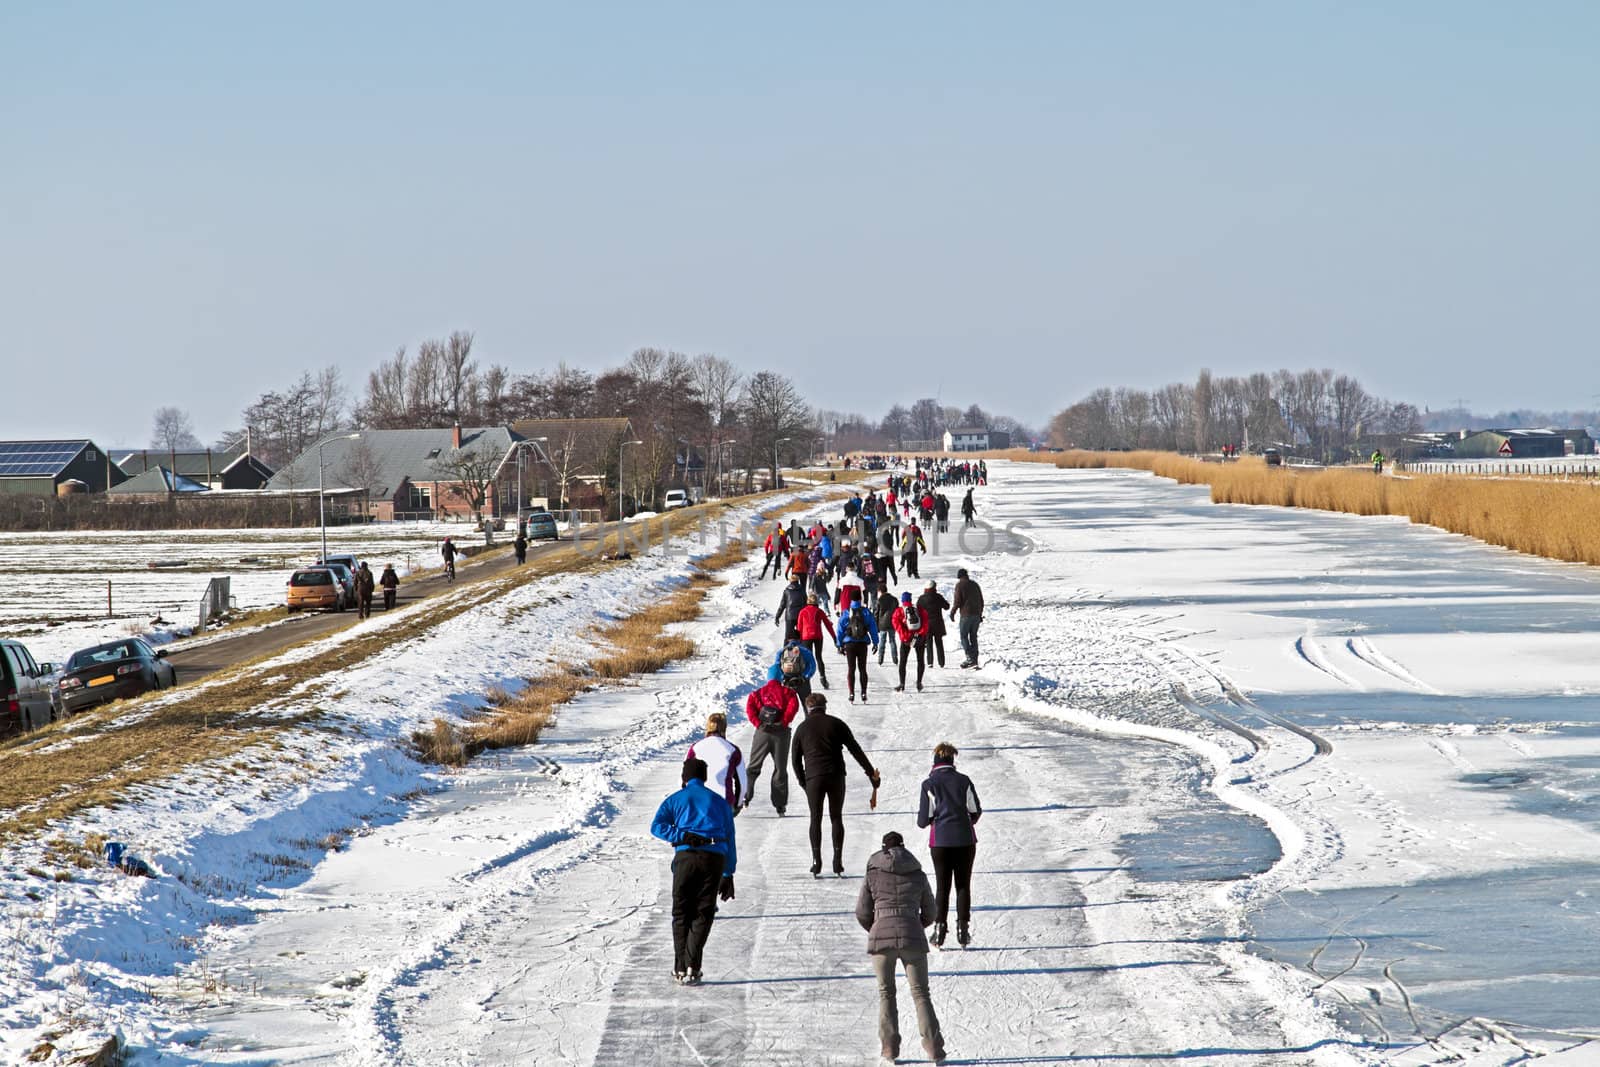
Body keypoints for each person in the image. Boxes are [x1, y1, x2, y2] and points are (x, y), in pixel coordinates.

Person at [856, 830, 945, 1064]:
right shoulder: (917, 874)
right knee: (921, 993)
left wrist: (877, 929)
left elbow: (862, 912)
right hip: (912, 937)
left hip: (881, 939)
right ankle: (934, 1048)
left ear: (883, 848)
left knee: (886, 993)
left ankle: (889, 1048)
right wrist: (915, 924)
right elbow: (932, 912)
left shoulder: (872, 875)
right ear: (904, 848)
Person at [650, 758, 738, 985]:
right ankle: (693, 966)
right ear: (705, 777)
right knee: (703, 913)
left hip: (685, 859)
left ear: (684, 778)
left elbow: (657, 826)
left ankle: (680, 967)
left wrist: (681, 836)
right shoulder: (719, 802)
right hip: (714, 858)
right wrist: (728, 873)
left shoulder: (675, 800)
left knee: (681, 914)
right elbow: (730, 837)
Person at [791, 692, 880, 876]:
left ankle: (816, 862)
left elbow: (795, 760)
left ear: (808, 708)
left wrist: (803, 782)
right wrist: (870, 773)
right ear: (825, 706)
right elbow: (856, 750)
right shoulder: (836, 724)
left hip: (813, 778)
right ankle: (837, 862)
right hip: (835, 775)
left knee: (815, 818)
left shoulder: (801, 728)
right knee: (836, 817)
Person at [916, 742, 982, 948]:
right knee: (963, 885)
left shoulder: (929, 784)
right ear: (952, 760)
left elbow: (922, 821)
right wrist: (965, 822)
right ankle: (963, 930)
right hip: (965, 840)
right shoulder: (964, 781)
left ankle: (939, 931)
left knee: (942, 886)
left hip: (940, 842)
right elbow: (976, 810)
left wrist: (936, 820)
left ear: (935, 761)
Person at [744, 674, 801, 816]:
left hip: (762, 732)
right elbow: (793, 707)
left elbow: (750, 708)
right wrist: (784, 722)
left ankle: (745, 796)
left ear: (768, 678)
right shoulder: (789, 693)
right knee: (780, 769)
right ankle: (780, 805)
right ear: (780, 678)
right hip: (781, 734)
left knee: (753, 766)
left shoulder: (757, 693)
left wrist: (758, 723)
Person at [836, 598, 880, 703]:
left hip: (849, 643)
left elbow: (840, 629)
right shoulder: (866, 612)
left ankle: (851, 693)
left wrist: (839, 644)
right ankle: (863, 693)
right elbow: (873, 627)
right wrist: (875, 642)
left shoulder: (846, 612)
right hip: (862, 643)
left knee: (851, 669)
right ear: (860, 600)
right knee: (862, 669)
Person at [795, 595, 835, 690]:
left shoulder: (803, 611)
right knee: (818, 657)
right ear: (816, 602)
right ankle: (823, 678)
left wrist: (799, 641)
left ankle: (806, 679)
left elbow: (799, 628)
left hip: (806, 637)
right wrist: (834, 637)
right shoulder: (820, 611)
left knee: (807, 659)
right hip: (818, 637)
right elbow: (828, 625)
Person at [891, 591, 927, 692]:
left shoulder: (899, 611)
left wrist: (905, 636)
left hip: (906, 640)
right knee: (920, 660)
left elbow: (896, 624)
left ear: (902, 601)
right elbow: (925, 622)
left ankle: (902, 684)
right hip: (919, 638)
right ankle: (919, 683)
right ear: (911, 600)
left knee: (903, 661)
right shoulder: (919, 609)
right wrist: (920, 633)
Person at [950, 568, 984, 669]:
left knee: (964, 636)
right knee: (973, 636)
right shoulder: (975, 584)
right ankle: (975, 659)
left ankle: (970, 658)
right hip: (976, 615)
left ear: (959, 576)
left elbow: (957, 601)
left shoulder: (960, 585)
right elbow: (981, 601)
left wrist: (953, 612)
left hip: (966, 615)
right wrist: (979, 614)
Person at [916, 580, 950, 669]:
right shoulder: (938, 597)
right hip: (937, 623)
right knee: (939, 642)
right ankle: (941, 662)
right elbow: (947, 606)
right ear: (934, 587)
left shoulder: (922, 598)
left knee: (928, 642)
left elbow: (918, 611)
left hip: (926, 623)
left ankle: (930, 662)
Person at [774, 576, 807, 642]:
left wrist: (777, 616)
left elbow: (782, 605)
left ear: (790, 581)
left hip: (790, 616)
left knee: (788, 636)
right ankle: (801, 650)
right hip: (800, 616)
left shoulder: (787, 591)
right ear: (798, 580)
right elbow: (806, 603)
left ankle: (785, 650)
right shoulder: (802, 590)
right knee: (801, 635)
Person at [873, 588, 900, 667]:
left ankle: (880, 659)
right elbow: (897, 611)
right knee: (892, 640)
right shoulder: (894, 599)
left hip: (882, 624)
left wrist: (876, 625)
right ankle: (895, 659)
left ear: (880, 591)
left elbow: (876, 613)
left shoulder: (879, 600)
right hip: (892, 623)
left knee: (882, 641)